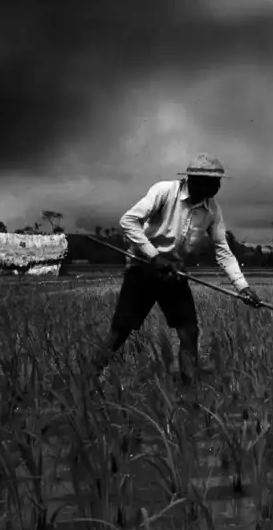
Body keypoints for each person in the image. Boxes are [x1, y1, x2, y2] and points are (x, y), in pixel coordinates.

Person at [91, 153, 262, 385]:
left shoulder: (212, 210)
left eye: (218, 181)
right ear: (194, 180)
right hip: (143, 268)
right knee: (121, 330)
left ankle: (188, 389)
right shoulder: (165, 191)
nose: (217, 186)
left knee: (189, 332)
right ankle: (87, 379)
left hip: (174, 273)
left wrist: (243, 288)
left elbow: (223, 250)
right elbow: (128, 221)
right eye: (212, 181)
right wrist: (154, 256)